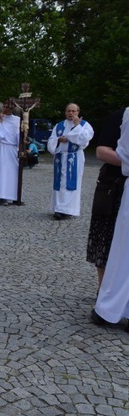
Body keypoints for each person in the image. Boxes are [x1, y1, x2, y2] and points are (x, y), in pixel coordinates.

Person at [86, 108, 127, 321]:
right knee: (105, 238)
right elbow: (102, 151)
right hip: (113, 183)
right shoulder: (119, 116)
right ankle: (103, 291)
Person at [47, 103, 94, 220]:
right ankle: (58, 208)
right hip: (60, 157)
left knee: (71, 184)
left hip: (74, 158)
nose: (71, 113)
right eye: (69, 111)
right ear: (65, 112)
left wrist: (77, 126)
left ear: (78, 112)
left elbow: (84, 139)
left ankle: (68, 210)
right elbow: (51, 140)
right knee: (59, 184)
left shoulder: (84, 125)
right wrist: (58, 139)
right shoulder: (59, 125)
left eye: (73, 111)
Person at [0, 99, 20, 206]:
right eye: (5, 106)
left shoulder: (17, 120)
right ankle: (3, 196)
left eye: (8, 107)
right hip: (2, 148)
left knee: (14, 173)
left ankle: (15, 196)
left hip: (13, 148)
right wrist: (1, 122)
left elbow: (19, 135)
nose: (6, 109)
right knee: (2, 172)